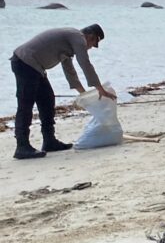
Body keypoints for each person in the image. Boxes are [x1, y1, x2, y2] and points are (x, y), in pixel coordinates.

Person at [9, 25, 115, 159]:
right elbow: (85, 63)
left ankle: (49, 141)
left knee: (47, 100)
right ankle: (22, 146)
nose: (89, 48)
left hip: (36, 67)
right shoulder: (78, 37)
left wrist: (84, 94)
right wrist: (100, 89)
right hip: (25, 62)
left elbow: (70, 71)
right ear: (91, 37)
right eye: (93, 45)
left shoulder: (69, 42)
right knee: (25, 105)